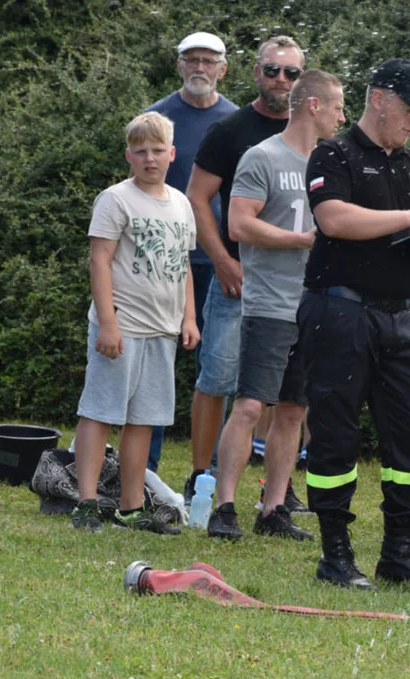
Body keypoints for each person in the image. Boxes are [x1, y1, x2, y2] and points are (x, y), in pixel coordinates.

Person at [298, 58, 410, 592]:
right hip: (339, 311)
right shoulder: (334, 152)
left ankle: (399, 553)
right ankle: (335, 555)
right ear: (378, 98)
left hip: (399, 314)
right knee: (336, 431)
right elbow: (335, 220)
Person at [205, 70, 346, 542]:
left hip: (314, 306)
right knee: (248, 405)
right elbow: (240, 225)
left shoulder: (333, 163)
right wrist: (302, 239)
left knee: (292, 411)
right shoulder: (261, 157)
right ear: (312, 106)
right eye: (337, 107)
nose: (342, 117)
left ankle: (273, 509)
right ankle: (223, 507)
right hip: (268, 304)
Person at [184, 36, 308, 513]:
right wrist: (222, 259)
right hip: (237, 277)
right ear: (254, 73)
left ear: (302, 81)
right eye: (272, 70)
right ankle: (201, 477)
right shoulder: (230, 129)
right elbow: (197, 197)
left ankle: (278, 489)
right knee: (217, 378)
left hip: (294, 286)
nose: (281, 80)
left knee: (285, 390)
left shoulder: (313, 138)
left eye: (291, 73)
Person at [69, 111, 199, 534]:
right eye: (140, 152)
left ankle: (130, 507)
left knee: (144, 419)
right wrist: (107, 322)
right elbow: (100, 259)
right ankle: (86, 503)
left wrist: (189, 317)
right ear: (128, 156)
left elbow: (184, 266)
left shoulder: (181, 203)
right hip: (121, 328)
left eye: (158, 151)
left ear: (172, 154)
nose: (149, 159)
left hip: (162, 329)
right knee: (100, 412)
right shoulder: (115, 199)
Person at [144, 31, 238, 473]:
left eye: (208, 60)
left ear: (223, 68)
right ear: (179, 65)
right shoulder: (156, 118)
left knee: (219, 368)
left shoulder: (237, 122)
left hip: (221, 259)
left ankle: (212, 473)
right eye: (191, 60)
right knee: (156, 362)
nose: (200, 67)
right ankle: (145, 466)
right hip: (165, 259)